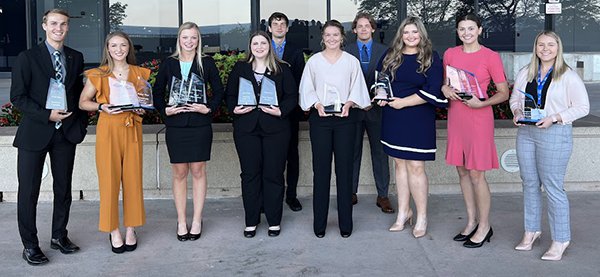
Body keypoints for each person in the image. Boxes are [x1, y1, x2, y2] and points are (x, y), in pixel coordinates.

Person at [10, 8, 87, 266]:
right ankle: (30, 245)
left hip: (65, 133)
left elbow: (79, 95)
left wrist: (80, 125)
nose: (59, 28)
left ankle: (58, 236)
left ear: (68, 27)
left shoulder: (76, 57)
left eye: (63, 24)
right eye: (54, 23)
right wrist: (46, 115)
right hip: (35, 132)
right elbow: (18, 97)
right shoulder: (27, 57)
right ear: (44, 26)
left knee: (63, 189)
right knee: (28, 191)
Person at [510, 31, 589, 261]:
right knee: (530, 184)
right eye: (541, 44)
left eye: (551, 45)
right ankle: (531, 230)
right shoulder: (527, 72)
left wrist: (555, 117)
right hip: (527, 133)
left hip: (555, 133)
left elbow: (582, 107)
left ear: (558, 47)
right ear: (535, 47)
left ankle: (561, 239)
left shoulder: (568, 75)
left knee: (553, 187)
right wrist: (516, 111)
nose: (545, 49)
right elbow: (515, 99)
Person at [441, 13, 509, 248]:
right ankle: (470, 221)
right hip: (457, 117)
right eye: (462, 29)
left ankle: (484, 226)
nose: (466, 33)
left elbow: (503, 92)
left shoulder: (490, 56)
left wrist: (482, 102)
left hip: (479, 117)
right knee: (462, 171)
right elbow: (445, 84)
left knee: (477, 174)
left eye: (471, 28)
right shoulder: (450, 54)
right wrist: (444, 89)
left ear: (480, 30)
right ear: (457, 31)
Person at [152, 22, 224, 241]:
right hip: (176, 126)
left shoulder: (207, 63)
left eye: (193, 38)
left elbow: (220, 91)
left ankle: (197, 219)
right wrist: (166, 111)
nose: (189, 42)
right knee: (180, 172)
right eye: (185, 38)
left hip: (200, 125)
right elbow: (156, 93)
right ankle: (182, 219)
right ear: (179, 39)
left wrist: (208, 107)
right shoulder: (169, 63)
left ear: (198, 40)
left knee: (198, 171)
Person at [79, 31, 150, 253]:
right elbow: (83, 102)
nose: (119, 49)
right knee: (109, 181)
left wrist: (142, 108)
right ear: (107, 49)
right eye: (114, 46)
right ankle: (113, 230)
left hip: (132, 128)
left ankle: (131, 228)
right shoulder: (98, 74)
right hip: (108, 128)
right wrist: (101, 107)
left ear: (129, 48)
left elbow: (145, 102)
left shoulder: (139, 73)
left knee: (133, 180)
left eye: (123, 45)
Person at [299, 20, 371, 238]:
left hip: (345, 120)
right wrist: (316, 104)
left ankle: (345, 224)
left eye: (335, 35)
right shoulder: (314, 62)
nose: (331, 39)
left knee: (344, 171)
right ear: (323, 37)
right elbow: (306, 89)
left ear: (342, 37)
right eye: (328, 35)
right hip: (320, 120)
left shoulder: (351, 61)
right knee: (320, 171)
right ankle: (319, 224)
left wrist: (350, 103)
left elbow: (358, 89)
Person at [377, 17, 446, 238]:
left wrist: (403, 102)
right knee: (399, 165)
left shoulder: (430, 57)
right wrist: (381, 96)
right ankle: (403, 212)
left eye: (414, 32)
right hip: (393, 118)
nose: (410, 36)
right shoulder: (391, 55)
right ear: (401, 35)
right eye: (406, 32)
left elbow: (434, 88)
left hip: (418, 117)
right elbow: (381, 80)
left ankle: (422, 216)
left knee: (416, 166)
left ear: (421, 34)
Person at [226, 31, 298, 238]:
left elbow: (292, 97)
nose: (259, 47)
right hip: (246, 129)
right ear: (250, 47)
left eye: (263, 43)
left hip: (276, 128)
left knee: (274, 174)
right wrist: (234, 109)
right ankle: (251, 220)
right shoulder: (240, 68)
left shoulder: (282, 69)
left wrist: (281, 111)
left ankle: (274, 220)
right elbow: (230, 95)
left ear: (269, 46)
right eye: (255, 43)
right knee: (250, 175)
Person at [346, 12, 393, 213]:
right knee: (351, 153)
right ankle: (350, 192)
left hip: (378, 110)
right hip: (354, 110)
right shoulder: (346, 51)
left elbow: (390, 78)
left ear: (373, 28)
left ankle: (383, 195)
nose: (363, 29)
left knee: (380, 154)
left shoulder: (386, 51)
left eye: (367, 26)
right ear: (354, 30)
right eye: (360, 26)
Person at [268, 12, 306, 212]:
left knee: (292, 154)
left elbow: (301, 82)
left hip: (289, 111)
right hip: (265, 110)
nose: (279, 27)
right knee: (271, 155)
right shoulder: (262, 48)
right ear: (269, 28)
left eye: (283, 24)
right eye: (275, 24)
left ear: (287, 28)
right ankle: (272, 195)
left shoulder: (296, 52)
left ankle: (291, 195)